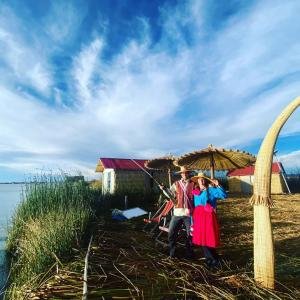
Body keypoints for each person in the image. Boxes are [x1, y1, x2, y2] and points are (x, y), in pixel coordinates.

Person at [191, 172, 227, 268]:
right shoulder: (196, 192)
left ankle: (213, 261)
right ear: (197, 181)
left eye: (203, 179)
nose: (201, 180)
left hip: (208, 217)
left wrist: (218, 185)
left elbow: (224, 195)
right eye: (199, 179)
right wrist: (193, 220)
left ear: (205, 181)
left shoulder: (211, 190)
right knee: (203, 240)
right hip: (198, 218)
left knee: (209, 239)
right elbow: (196, 206)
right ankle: (212, 260)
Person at [160, 166, 195, 259]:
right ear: (181, 174)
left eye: (186, 173)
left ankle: (189, 254)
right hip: (177, 214)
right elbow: (170, 195)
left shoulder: (194, 184)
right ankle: (172, 253)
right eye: (183, 173)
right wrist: (164, 189)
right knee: (171, 233)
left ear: (189, 173)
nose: (184, 174)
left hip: (189, 214)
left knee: (190, 235)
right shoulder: (176, 184)